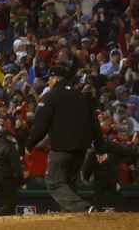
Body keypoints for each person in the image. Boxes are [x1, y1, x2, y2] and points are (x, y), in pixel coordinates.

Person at [25, 64, 103, 212]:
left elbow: (40, 124)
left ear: (55, 79)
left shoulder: (51, 95)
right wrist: (100, 147)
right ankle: (72, 221)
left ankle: (83, 208)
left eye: (49, 79)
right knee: (67, 184)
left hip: (61, 147)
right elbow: (95, 122)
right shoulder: (81, 96)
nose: (49, 82)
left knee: (54, 182)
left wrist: (30, 144)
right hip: (81, 149)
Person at [81, 138, 139, 211]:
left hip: (100, 180)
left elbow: (88, 165)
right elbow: (129, 152)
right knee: (118, 202)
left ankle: (94, 215)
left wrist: (86, 177)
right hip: (113, 179)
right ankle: (120, 215)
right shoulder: (114, 149)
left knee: (97, 202)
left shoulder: (94, 151)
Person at [0, 125, 24, 216]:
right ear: (7, 137)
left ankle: (1, 222)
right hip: (7, 179)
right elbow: (15, 166)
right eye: (11, 136)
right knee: (11, 204)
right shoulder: (10, 147)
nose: (12, 138)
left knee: (9, 203)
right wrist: (22, 181)